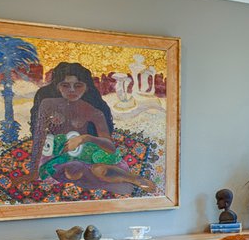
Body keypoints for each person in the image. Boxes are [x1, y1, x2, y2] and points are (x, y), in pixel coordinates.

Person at [28, 61, 154, 195]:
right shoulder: (47, 105)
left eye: (78, 86)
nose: (72, 90)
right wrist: (33, 171)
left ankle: (132, 178)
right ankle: (99, 175)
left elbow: (110, 148)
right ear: (58, 87)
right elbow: (39, 136)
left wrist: (85, 138)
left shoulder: (94, 112)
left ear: (86, 88)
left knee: (99, 170)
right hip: (58, 157)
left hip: (89, 155)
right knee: (73, 170)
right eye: (65, 85)